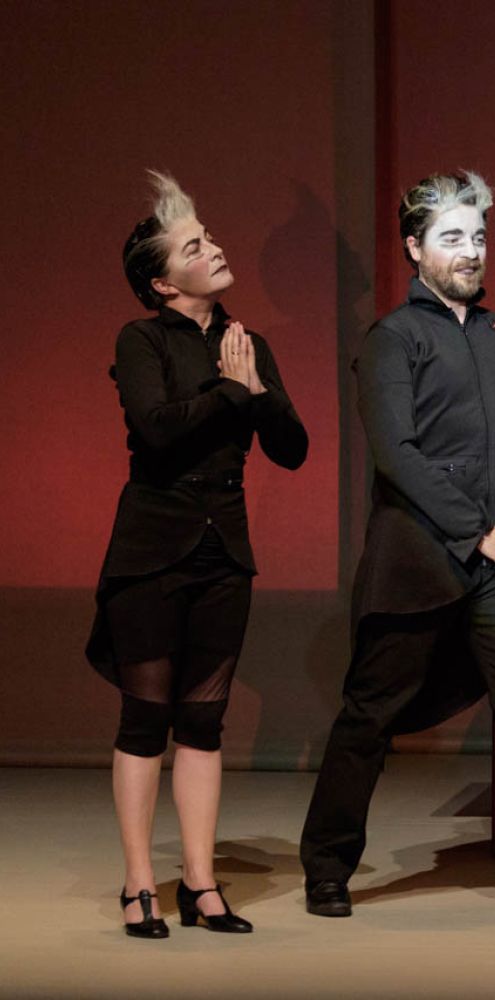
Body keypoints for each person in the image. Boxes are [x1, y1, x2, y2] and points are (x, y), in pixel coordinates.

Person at [298, 171, 495, 928]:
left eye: (478, 237)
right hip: (420, 556)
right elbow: (398, 455)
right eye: (452, 238)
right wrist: (476, 529)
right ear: (414, 248)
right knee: (369, 715)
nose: (470, 251)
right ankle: (327, 866)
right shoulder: (392, 339)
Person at [89, 171, 308, 938]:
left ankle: (201, 883)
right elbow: (156, 428)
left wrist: (258, 391)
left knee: (204, 722)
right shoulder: (141, 339)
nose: (212, 249)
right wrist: (232, 394)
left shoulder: (248, 344)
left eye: (208, 237)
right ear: (162, 282)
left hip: (224, 549)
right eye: (193, 247)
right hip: (151, 548)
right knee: (145, 718)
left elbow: (293, 449)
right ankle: (138, 884)